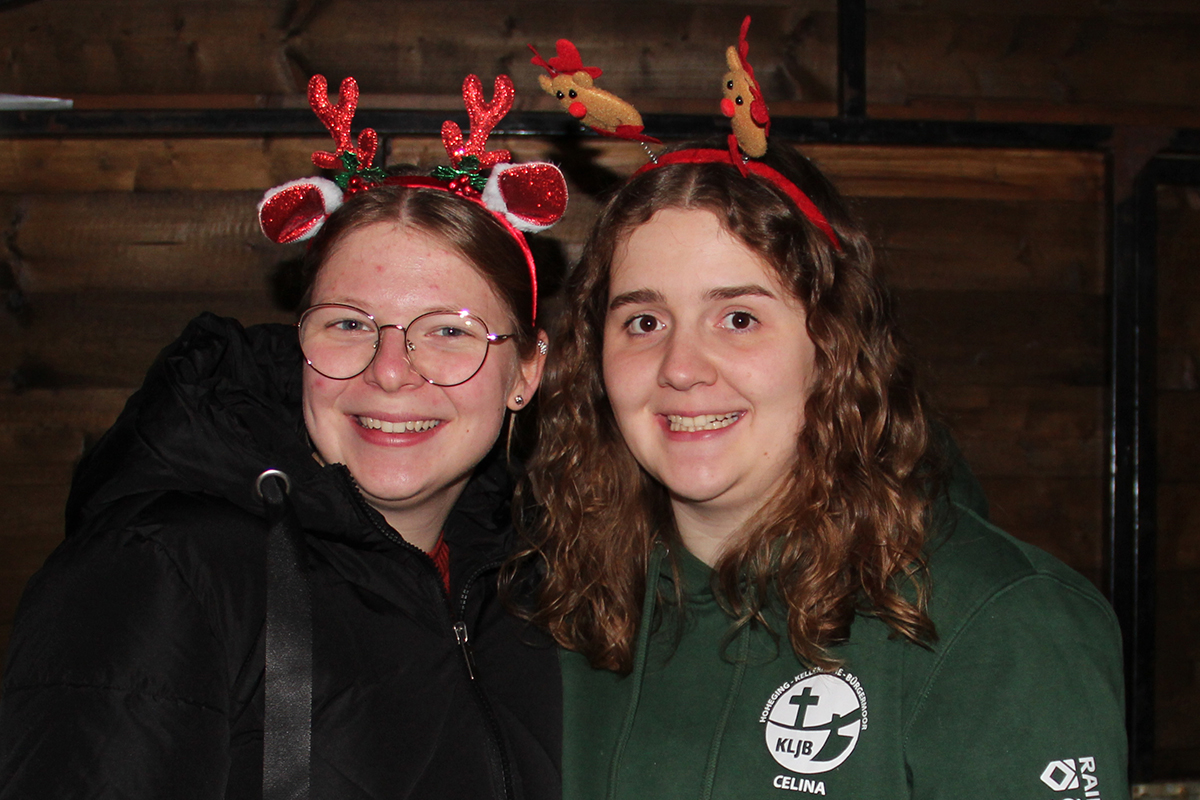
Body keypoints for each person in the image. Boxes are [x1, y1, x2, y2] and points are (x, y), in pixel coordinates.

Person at [0, 74, 564, 799]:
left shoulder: (532, 592)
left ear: (527, 371)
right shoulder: (162, 572)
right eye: (349, 324)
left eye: (450, 332)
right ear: (301, 343)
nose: (391, 371)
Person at [519, 142, 1130, 800]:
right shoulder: (560, 607)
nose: (681, 367)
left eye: (739, 318)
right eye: (644, 321)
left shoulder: (1002, 625)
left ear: (834, 346)